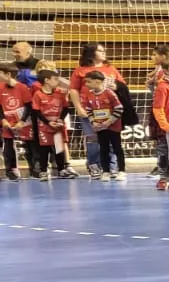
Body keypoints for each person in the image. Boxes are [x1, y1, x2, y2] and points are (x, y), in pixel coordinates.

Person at [69, 43, 125, 177]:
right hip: (90, 110)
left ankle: (111, 167)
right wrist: (78, 107)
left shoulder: (110, 69)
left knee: (111, 140)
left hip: (110, 112)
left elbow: (122, 85)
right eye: (100, 51)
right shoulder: (80, 70)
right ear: (92, 53)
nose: (104, 52)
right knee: (93, 139)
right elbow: (73, 90)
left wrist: (115, 86)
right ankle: (94, 165)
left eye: (104, 50)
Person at [80, 70, 124, 182]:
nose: (86, 84)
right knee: (103, 149)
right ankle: (106, 172)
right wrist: (93, 122)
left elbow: (119, 109)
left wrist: (109, 122)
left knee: (117, 148)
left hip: (113, 127)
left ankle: (121, 171)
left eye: (89, 82)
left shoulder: (109, 93)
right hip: (100, 127)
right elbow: (89, 110)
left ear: (98, 81)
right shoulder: (90, 95)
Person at [29, 68, 73, 179]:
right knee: (44, 150)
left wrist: (60, 119)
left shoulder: (60, 93)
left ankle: (61, 170)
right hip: (44, 127)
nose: (57, 81)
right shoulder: (38, 94)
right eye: (55, 79)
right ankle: (43, 171)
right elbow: (36, 111)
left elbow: (66, 108)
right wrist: (48, 122)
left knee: (59, 149)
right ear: (46, 80)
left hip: (57, 126)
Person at [0, 62, 33, 181]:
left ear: (8, 74)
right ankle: (11, 170)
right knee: (8, 146)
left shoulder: (22, 88)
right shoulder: (0, 87)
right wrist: (3, 120)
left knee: (29, 145)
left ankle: (35, 168)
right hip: (7, 122)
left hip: (23, 121)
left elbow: (29, 106)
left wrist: (22, 121)